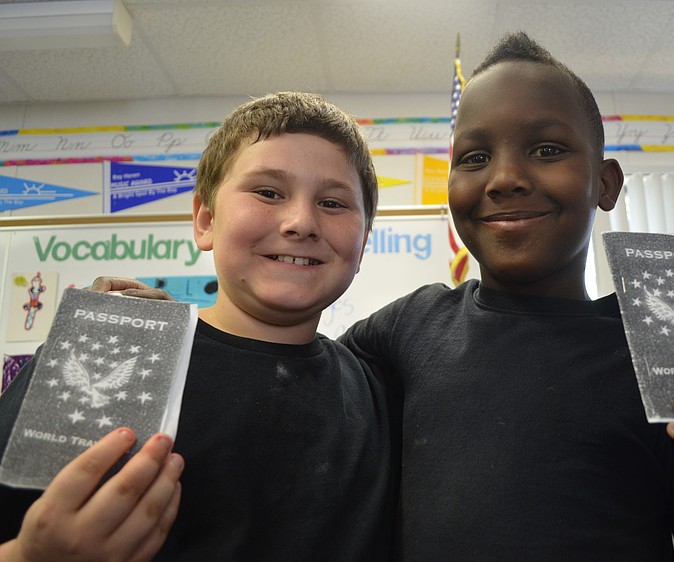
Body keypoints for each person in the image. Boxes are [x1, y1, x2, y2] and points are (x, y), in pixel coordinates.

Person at [84, 32, 674, 561]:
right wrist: (184, 330)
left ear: (606, 182)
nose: (503, 177)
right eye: (474, 157)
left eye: (548, 148)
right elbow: (286, 368)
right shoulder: (410, 327)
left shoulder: (668, 365)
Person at [0, 92, 397, 561]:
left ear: (363, 241)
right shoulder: (105, 349)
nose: (301, 222)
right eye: (268, 192)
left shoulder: (380, 393)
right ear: (205, 219)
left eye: (333, 203)